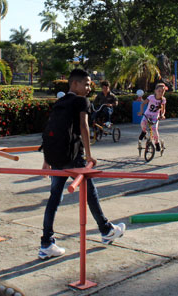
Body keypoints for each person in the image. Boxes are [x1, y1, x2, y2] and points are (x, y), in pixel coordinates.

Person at [39, 69, 125, 260]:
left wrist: (47, 159)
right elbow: (84, 126)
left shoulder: (60, 102)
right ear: (74, 84)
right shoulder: (81, 101)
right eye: (86, 84)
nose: (88, 87)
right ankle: (106, 230)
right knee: (90, 193)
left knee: (54, 197)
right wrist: (89, 155)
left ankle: (46, 243)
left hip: (57, 157)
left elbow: (51, 129)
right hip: (73, 156)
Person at [137, 83, 167, 148]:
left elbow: (163, 109)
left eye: (162, 91)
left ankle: (156, 142)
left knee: (154, 129)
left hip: (155, 116)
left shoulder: (163, 100)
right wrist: (141, 111)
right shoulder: (151, 97)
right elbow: (143, 104)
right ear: (155, 91)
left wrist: (162, 115)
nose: (160, 93)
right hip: (147, 114)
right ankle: (144, 132)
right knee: (143, 123)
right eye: (159, 91)